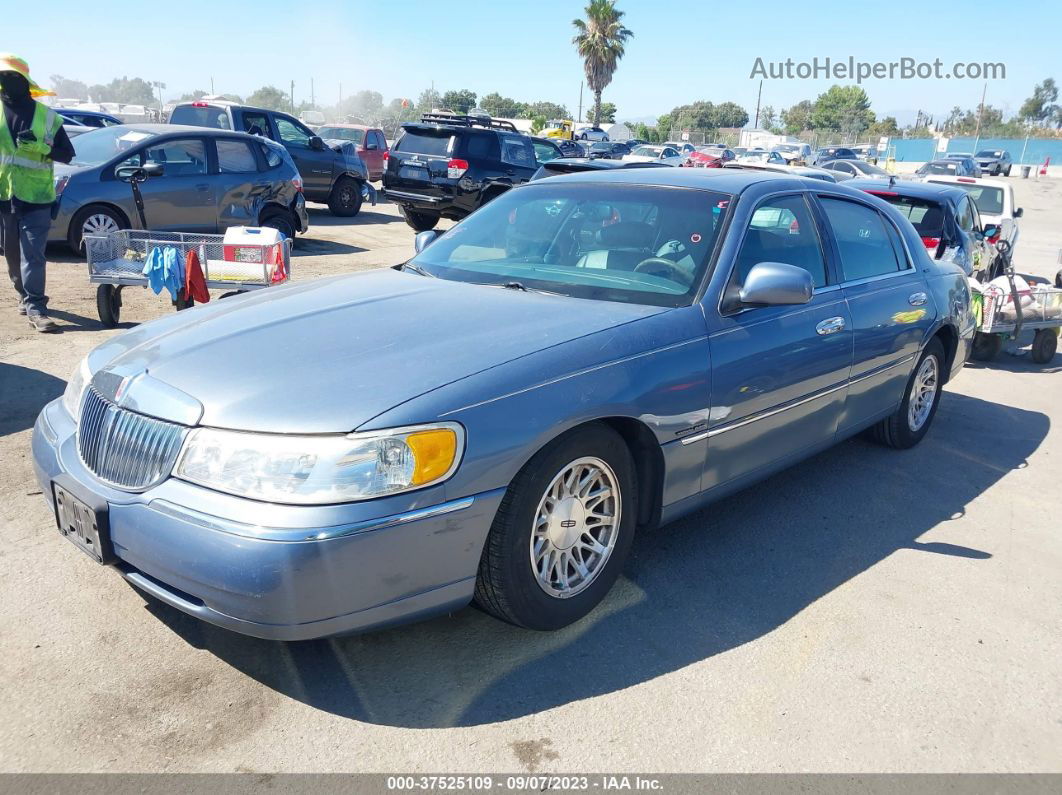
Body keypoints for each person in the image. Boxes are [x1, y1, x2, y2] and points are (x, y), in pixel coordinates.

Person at [0, 54, 75, 332]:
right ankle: (23, 293)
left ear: (25, 81)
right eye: (3, 77)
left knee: (33, 254)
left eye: (12, 77)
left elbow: (67, 154)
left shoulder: (47, 117)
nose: (7, 82)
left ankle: (36, 306)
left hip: (37, 198)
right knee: (11, 254)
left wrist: (43, 149)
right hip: (4, 196)